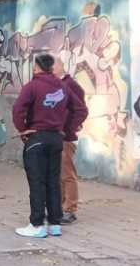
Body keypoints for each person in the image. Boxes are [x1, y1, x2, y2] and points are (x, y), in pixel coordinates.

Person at [11, 54, 88, 238]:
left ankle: (36, 224)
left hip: (37, 138)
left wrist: (23, 129)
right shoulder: (63, 87)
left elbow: (17, 110)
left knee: (37, 181)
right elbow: (80, 110)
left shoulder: (32, 87)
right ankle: (54, 224)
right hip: (56, 139)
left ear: (36, 68)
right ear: (52, 68)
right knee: (54, 181)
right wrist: (66, 130)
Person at [54, 56, 86, 224]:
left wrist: (69, 129)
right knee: (58, 174)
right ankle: (59, 207)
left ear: (59, 66)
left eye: (52, 67)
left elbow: (81, 110)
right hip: (56, 136)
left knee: (67, 174)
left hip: (65, 137)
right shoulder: (57, 85)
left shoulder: (70, 85)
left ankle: (70, 208)